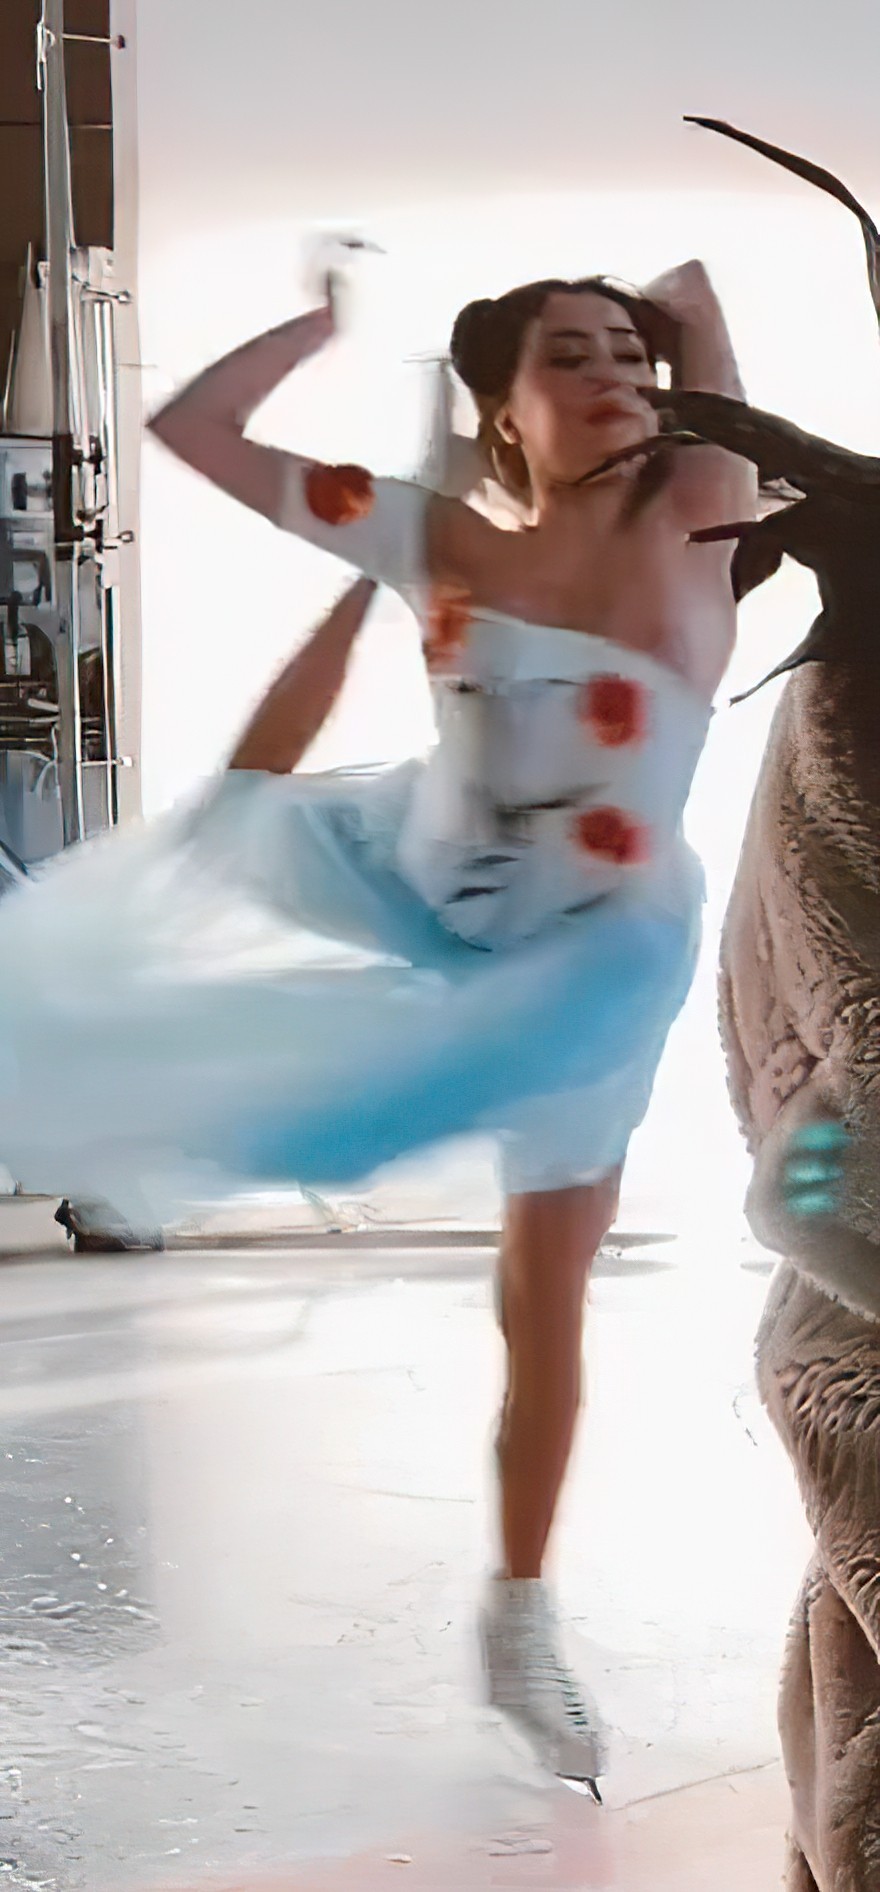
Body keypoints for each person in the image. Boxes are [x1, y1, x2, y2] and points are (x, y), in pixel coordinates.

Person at [0, 257, 753, 1793]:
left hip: (589, 954)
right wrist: (320, 327)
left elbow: (696, 306)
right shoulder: (431, 534)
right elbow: (196, 431)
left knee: (544, 1291)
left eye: (631, 357)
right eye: (571, 357)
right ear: (501, 407)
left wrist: (665, 317)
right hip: (410, 873)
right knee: (221, 865)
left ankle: (518, 1613)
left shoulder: (698, 510)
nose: (616, 378)